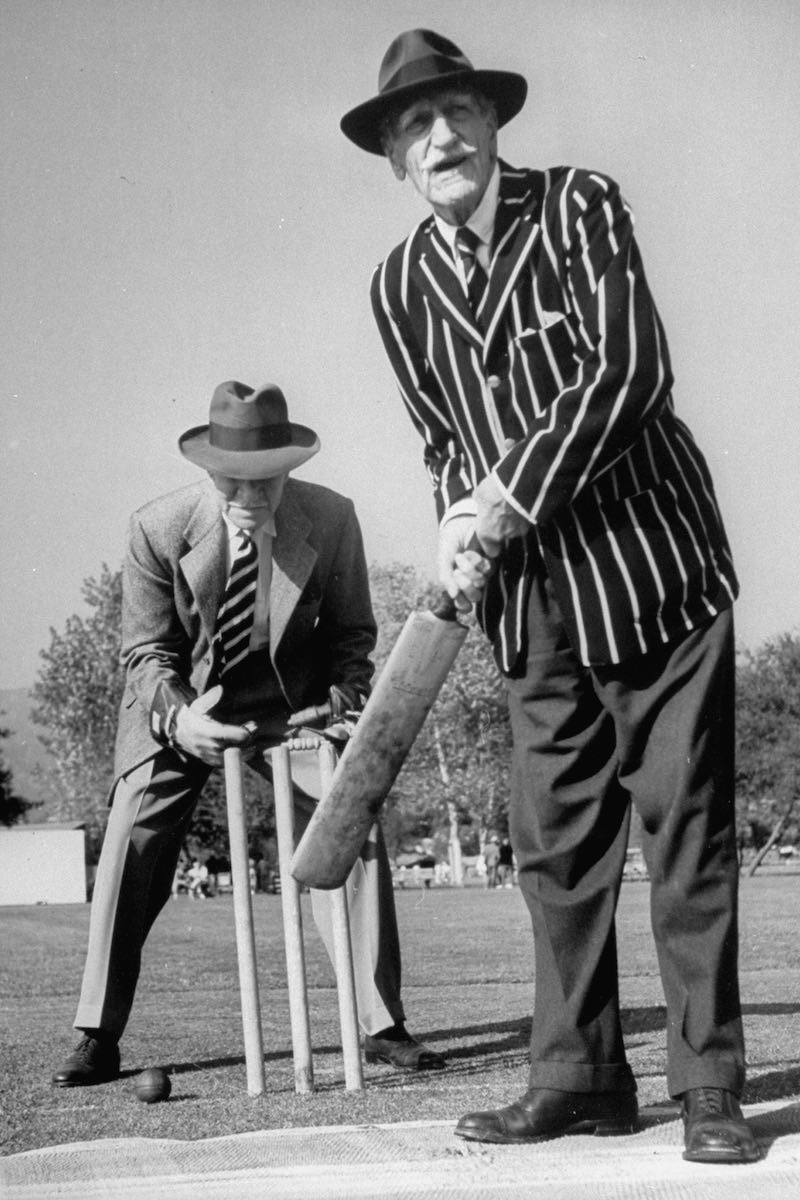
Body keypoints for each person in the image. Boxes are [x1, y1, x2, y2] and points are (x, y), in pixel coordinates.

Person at [340, 28, 757, 1163]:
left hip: (654, 571)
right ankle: (576, 1080)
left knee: (682, 833)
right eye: (415, 128)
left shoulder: (575, 206)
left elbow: (627, 368)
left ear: (492, 123)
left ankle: (707, 1087)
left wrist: (506, 495)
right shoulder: (396, 286)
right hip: (532, 609)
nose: (441, 137)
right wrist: (452, 522)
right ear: (392, 159)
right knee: (553, 852)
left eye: (458, 113)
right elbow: (439, 438)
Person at [51, 380, 445, 1087]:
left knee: (352, 823)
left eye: (267, 479)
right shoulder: (157, 527)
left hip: (289, 710)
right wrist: (179, 719)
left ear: (288, 468)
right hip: (184, 710)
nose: (252, 493)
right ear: (208, 469)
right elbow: (146, 654)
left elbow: (354, 636)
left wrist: (337, 703)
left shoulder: (330, 519)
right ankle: (96, 1034)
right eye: (235, 478)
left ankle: (382, 1024)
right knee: (130, 838)